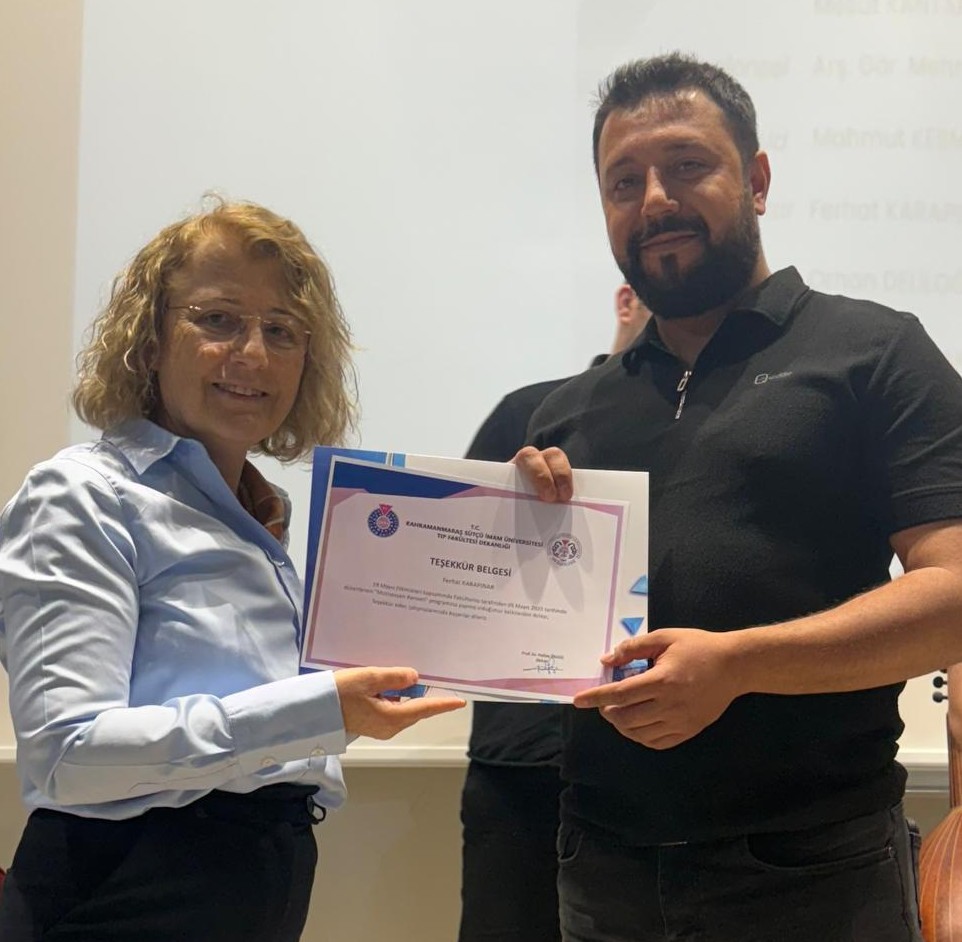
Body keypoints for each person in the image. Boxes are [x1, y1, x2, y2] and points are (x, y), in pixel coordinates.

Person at [513, 52, 962, 942]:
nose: (654, 200)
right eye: (623, 182)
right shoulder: (569, 413)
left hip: (815, 874)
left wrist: (739, 664)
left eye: (686, 165)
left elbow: (954, 597)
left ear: (756, 180)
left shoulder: (876, 353)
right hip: (601, 873)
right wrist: (511, 543)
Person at [0, 199, 464, 942]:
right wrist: (319, 711)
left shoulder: (261, 517)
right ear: (149, 340)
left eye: (281, 330)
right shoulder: (83, 494)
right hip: (122, 894)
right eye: (217, 320)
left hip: (257, 881)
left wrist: (532, 525)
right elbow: (67, 757)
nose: (252, 353)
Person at [458, 286, 649, 942]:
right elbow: (452, 568)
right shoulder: (529, 412)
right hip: (524, 772)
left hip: (672, 773)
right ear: (627, 301)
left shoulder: (725, 428)